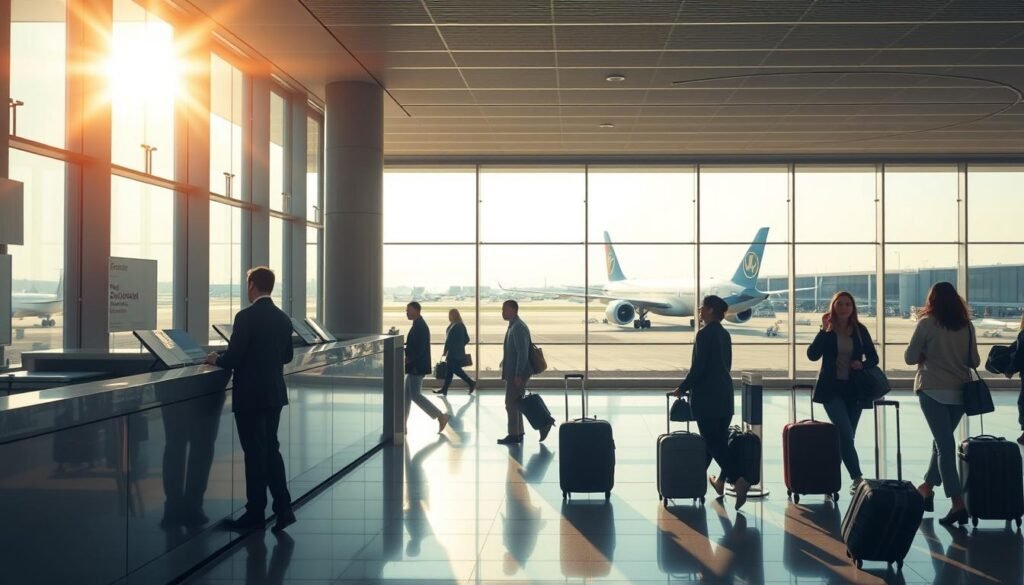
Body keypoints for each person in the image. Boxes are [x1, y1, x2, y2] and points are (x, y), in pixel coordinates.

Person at [206, 267, 296, 533]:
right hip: (275, 394)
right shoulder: (282, 318)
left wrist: (215, 359)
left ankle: (255, 513)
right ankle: (283, 507)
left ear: (253, 285)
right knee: (271, 449)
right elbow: (288, 356)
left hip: (250, 396)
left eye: (247, 283)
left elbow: (233, 358)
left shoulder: (245, 317)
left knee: (254, 455)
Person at [905, 282, 980, 526]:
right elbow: (974, 360)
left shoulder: (926, 324)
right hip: (959, 392)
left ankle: (958, 504)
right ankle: (926, 488)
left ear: (932, 301)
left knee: (944, 447)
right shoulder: (967, 326)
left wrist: (927, 353)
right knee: (943, 443)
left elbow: (909, 357)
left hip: (932, 389)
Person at [673, 295, 750, 509]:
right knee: (716, 442)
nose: (699, 310)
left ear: (710, 310)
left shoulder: (704, 334)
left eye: (702, 307)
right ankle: (716, 482)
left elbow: (699, 367)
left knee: (712, 442)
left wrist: (683, 387)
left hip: (708, 397)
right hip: (724, 395)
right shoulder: (725, 334)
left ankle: (738, 479)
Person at [806, 291, 879, 495]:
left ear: (853, 308)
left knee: (845, 438)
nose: (844, 308)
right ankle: (857, 478)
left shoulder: (859, 330)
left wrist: (862, 364)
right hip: (831, 390)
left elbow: (873, 358)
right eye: (840, 304)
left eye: (848, 304)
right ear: (833, 307)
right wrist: (824, 330)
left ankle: (828, 480)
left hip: (854, 390)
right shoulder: (828, 331)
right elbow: (812, 355)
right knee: (845, 434)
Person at [498, 300, 551, 445]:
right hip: (515, 371)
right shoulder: (514, 326)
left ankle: (517, 433)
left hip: (517, 373)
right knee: (516, 403)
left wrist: (518, 374)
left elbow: (522, 353)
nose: (502, 312)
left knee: (510, 403)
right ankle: (518, 432)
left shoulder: (518, 327)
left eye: (505, 310)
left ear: (514, 310)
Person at [404, 302, 449, 433]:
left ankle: (440, 416)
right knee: (406, 396)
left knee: (415, 395)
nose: (406, 313)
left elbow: (419, 349)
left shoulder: (421, 327)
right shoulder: (417, 325)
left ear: (416, 311)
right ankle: (402, 425)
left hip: (416, 367)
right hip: (414, 366)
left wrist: (408, 359)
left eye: (409, 310)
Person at [434, 308, 476, 396]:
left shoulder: (456, 325)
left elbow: (449, 341)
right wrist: (460, 346)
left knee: (451, 372)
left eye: (451, 315)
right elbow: (466, 339)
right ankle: (470, 383)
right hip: (455, 353)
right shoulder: (458, 325)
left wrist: (446, 351)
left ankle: (445, 389)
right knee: (455, 371)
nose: (449, 316)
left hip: (453, 354)